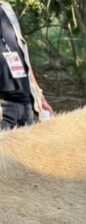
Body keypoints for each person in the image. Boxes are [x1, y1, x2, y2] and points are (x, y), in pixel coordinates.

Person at [0, 1, 53, 129]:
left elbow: (23, 55)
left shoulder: (6, 8)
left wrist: (39, 94)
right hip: (3, 108)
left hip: (25, 103)